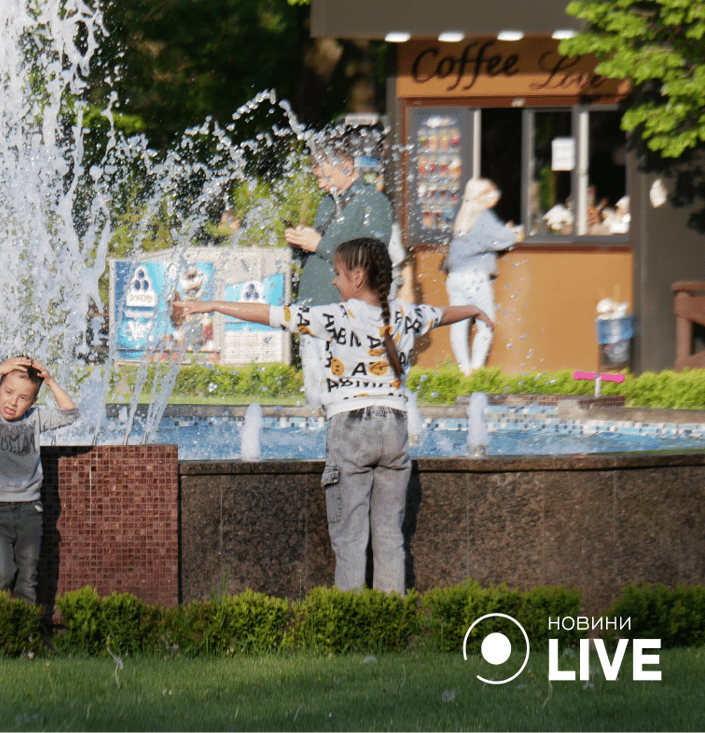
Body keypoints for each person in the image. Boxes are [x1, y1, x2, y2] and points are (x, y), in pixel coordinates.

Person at [173, 237, 490, 595]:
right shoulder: (406, 314)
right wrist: (475, 310)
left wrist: (212, 304)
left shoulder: (336, 316)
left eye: (338, 273)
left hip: (351, 428)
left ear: (357, 277)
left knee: (350, 539)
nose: (334, 281)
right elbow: (443, 314)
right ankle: (392, 617)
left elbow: (270, 314)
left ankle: (348, 618)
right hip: (395, 427)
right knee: (389, 537)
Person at [284, 140, 394, 409]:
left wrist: (319, 244)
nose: (321, 184)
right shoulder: (328, 202)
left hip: (345, 312)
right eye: (318, 178)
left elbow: (370, 258)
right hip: (314, 307)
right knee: (315, 395)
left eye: (326, 177)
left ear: (346, 166)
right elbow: (323, 251)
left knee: (343, 392)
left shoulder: (373, 202)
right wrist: (301, 245)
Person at [0, 356, 79, 605]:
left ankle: (23, 627)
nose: (13, 402)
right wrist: (1, 369)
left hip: (29, 509)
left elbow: (70, 413)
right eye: (8, 392)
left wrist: (49, 381)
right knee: (2, 572)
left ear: (33, 402)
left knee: (27, 578)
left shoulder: (34, 419)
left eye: (23, 397)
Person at [444, 178, 520, 376]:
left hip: (455, 277)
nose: (495, 195)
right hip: (475, 278)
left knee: (459, 325)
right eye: (491, 192)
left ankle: (464, 370)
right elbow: (505, 239)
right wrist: (510, 231)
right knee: (486, 323)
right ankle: (477, 370)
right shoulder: (483, 216)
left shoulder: (463, 215)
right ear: (482, 196)